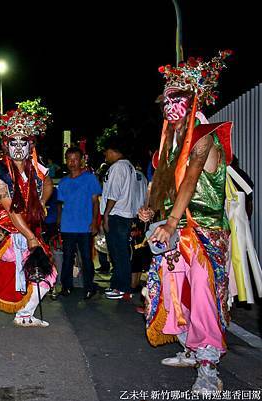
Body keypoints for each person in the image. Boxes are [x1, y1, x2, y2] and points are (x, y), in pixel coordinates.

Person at [139, 50, 233, 393]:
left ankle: (209, 369)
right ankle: (190, 349)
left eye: (176, 98)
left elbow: (192, 180)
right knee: (172, 291)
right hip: (178, 233)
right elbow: (165, 186)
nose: (169, 105)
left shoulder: (203, 135)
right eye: (166, 99)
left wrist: (172, 220)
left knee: (204, 295)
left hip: (205, 235)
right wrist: (151, 210)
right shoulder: (170, 145)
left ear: (192, 100)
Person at [0, 99, 56, 344]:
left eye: (23, 141)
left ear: (30, 144)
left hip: (25, 229)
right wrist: (31, 237)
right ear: (5, 145)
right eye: (12, 142)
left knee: (46, 271)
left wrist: (42, 203)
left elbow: (47, 183)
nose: (18, 147)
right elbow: (12, 210)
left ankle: (25, 314)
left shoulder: (36, 168)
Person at [100, 138, 145, 300]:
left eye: (106, 152)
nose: (105, 155)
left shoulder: (118, 167)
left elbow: (114, 194)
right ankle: (118, 285)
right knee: (120, 253)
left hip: (117, 216)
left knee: (119, 253)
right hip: (124, 216)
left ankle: (122, 288)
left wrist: (106, 215)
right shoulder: (129, 167)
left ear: (113, 151)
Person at [56, 147, 101, 299]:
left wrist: (95, 221)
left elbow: (95, 202)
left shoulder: (90, 178)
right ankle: (66, 286)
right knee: (67, 257)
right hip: (68, 226)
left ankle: (89, 287)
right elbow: (60, 205)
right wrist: (59, 222)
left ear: (81, 160)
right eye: (69, 159)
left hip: (85, 226)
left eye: (75, 159)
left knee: (86, 258)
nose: (72, 162)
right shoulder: (63, 182)